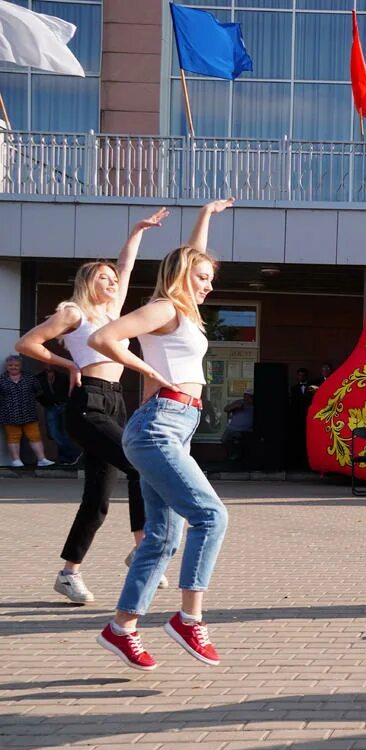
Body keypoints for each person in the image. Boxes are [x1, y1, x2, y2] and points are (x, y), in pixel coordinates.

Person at [87, 198, 235, 671]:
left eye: (211, 280)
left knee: (161, 539)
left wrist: (206, 216)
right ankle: (189, 619)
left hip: (175, 425)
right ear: (181, 277)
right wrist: (146, 367)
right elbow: (103, 338)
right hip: (158, 426)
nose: (208, 286)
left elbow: (193, 255)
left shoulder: (184, 312)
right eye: (202, 278)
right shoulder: (165, 307)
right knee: (211, 517)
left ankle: (121, 627)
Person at [15, 209, 169, 604]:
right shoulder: (74, 312)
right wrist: (67, 363)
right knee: (140, 464)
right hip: (87, 404)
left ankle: (69, 573)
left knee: (97, 501)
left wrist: (137, 231)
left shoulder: (112, 312)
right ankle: (142, 549)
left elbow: (126, 264)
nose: (113, 282)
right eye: (105, 278)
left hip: (115, 401)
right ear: (88, 281)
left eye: (114, 280)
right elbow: (27, 344)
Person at [1, 355, 56, 469]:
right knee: (13, 437)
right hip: (9, 413)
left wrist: (30, 400)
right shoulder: (1, 379)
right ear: (7, 366)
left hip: (29, 412)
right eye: (11, 365)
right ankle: (16, 460)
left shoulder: (30, 378)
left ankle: (42, 459)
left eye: (16, 365)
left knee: (34, 436)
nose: (13, 367)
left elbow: (39, 391)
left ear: (21, 366)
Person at [35, 364, 79, 463]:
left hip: (64, 406)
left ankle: (65, 457)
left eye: (49, 363)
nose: (48, 365)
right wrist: (45, 402)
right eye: (44, 362)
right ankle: (75, 453)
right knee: (53, 432)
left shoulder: (63, 376)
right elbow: (37, 392)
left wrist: (68, 401)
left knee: (65, 432)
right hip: (50, 407)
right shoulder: (38, 378)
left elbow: (72, 390)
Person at [221, 389, 255, 468]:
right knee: (225, 439)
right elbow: (226, 409)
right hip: (232, 428)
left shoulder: (254, 405)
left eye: (248, 397)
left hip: (247, 429)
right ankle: (233, 456)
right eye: (245, 396)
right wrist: (235, 406)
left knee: (242, 442)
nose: (246, 398)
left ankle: (238, 457)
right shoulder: (239, 402)